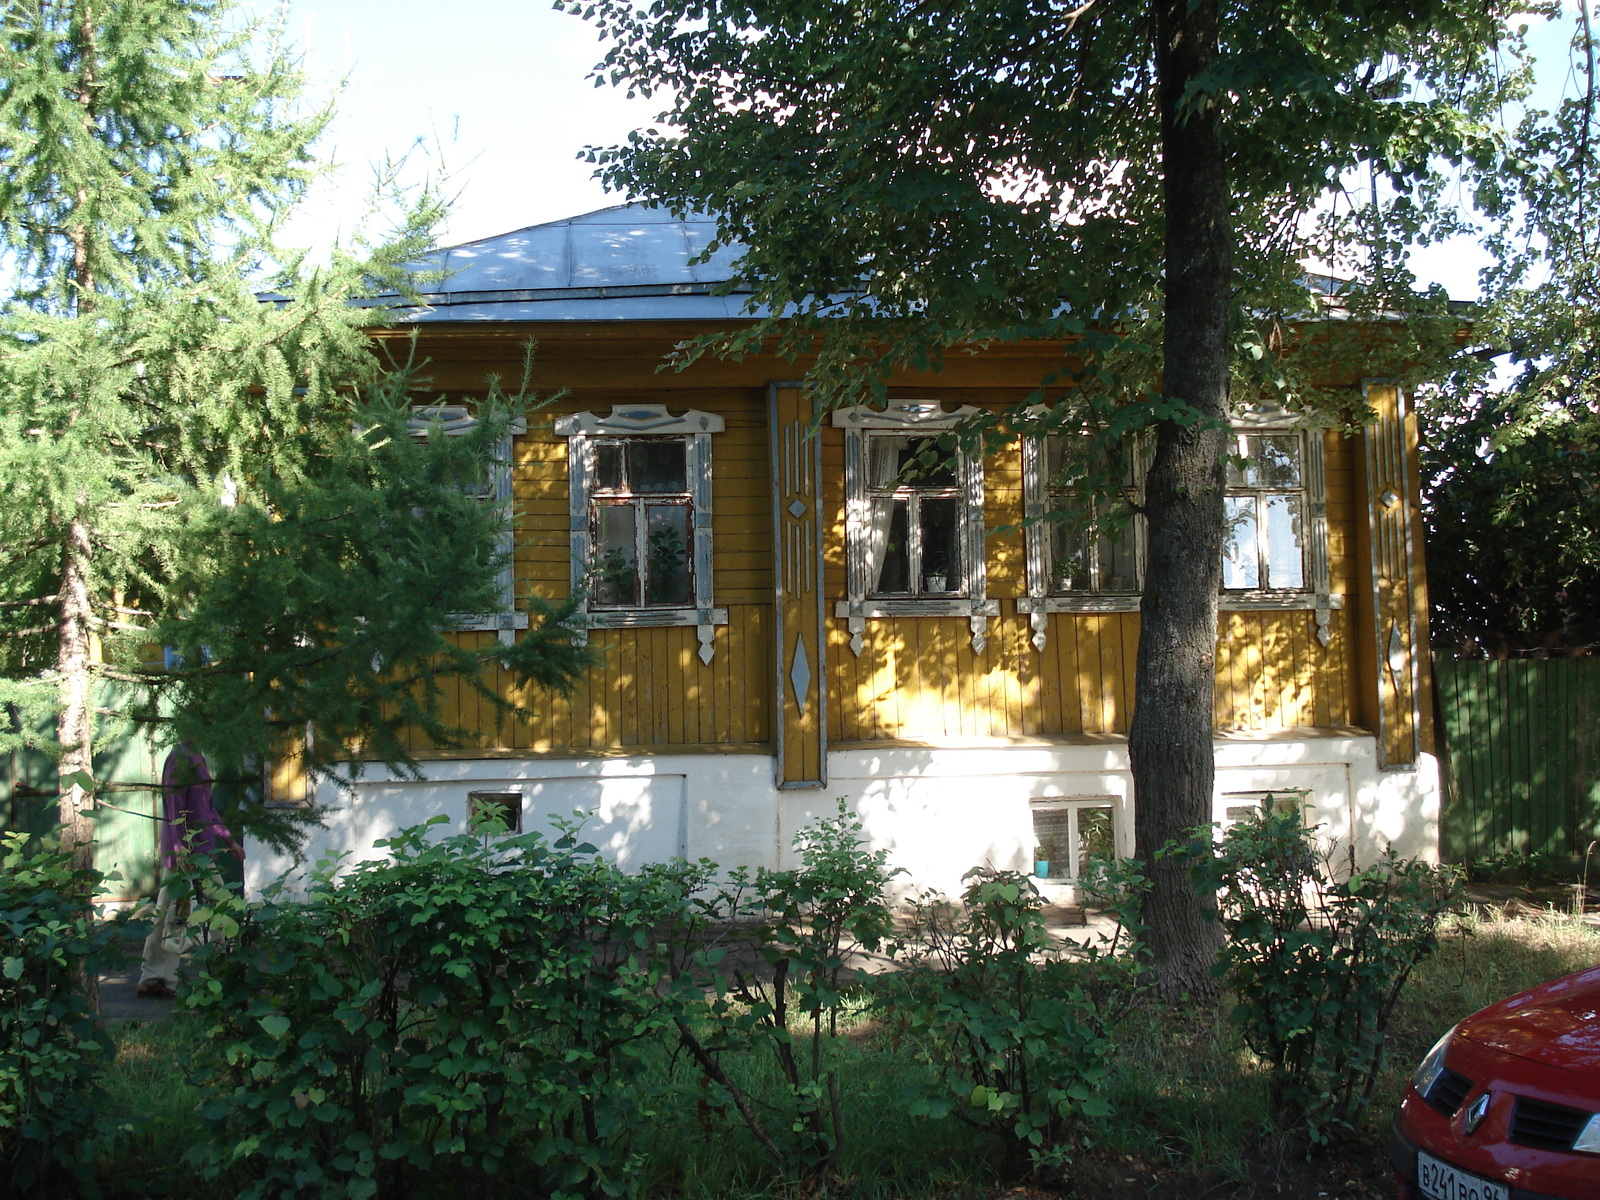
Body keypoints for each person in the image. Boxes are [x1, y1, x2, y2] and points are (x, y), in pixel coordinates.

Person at [135, 744, 243, 999]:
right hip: (183, 856)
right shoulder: (179, 759)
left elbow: (208, 809)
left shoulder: (199, 756)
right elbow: (173, 810)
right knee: (169, 915)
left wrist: (230, 842)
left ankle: (221, 970)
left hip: (203, 854)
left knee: (218, 908)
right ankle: (155, 978)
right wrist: (180, 854)